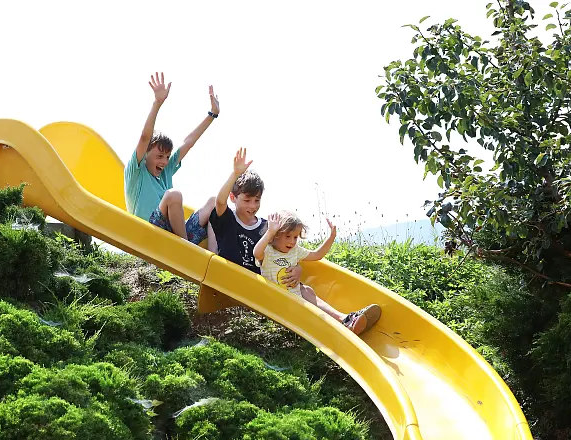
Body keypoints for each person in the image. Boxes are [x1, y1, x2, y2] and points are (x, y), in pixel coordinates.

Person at [124, 72, 219, 251]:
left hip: (173, 234)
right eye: (159, 156)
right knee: (174, 195)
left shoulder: (165, 172)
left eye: (167, 157)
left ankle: (213, 257)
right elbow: (144, 138)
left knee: (215, 202)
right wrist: (157, 103)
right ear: (145, 154)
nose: (165, 161)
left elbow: (188, 142)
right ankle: (185, 250)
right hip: (148, 233)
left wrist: (212, 114)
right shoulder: (136, 172)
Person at [253, 210, 381, 335]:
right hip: (278, 302)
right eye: (288, 236)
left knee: (307, 290)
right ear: (275, 235)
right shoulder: (267, 252)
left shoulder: (295, 251)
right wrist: (270, 232)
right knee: (305, 293)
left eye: (295, 237)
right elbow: (256, 253)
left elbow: (317, 254)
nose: (292, 241)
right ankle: (342, 323)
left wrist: (331, 238)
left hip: (297, 300)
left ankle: (344, 320)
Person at [209, 148, 301, 287]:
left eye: (257, 200)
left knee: (305, 290)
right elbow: (220, 202)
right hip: (228, 278)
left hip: (256, 285)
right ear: (233, 198)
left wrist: (298, 268)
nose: (252, 206)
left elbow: (286, 251)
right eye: (247, 200)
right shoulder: (228, 219)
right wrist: (235, 174)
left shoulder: (267, 227)